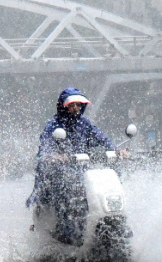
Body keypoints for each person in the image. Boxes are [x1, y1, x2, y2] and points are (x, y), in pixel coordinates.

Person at [26, 87, 125, 246]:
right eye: (72, 105)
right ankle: (65, 229)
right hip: (57, 171)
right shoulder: (53, 125)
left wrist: (117, 150)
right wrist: (55, 156)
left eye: (79, 105)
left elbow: (102, 139)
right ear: (64, 106)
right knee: (66, 186)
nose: (76, 108)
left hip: (82, 170)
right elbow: (46, 147)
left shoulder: (85, 124)